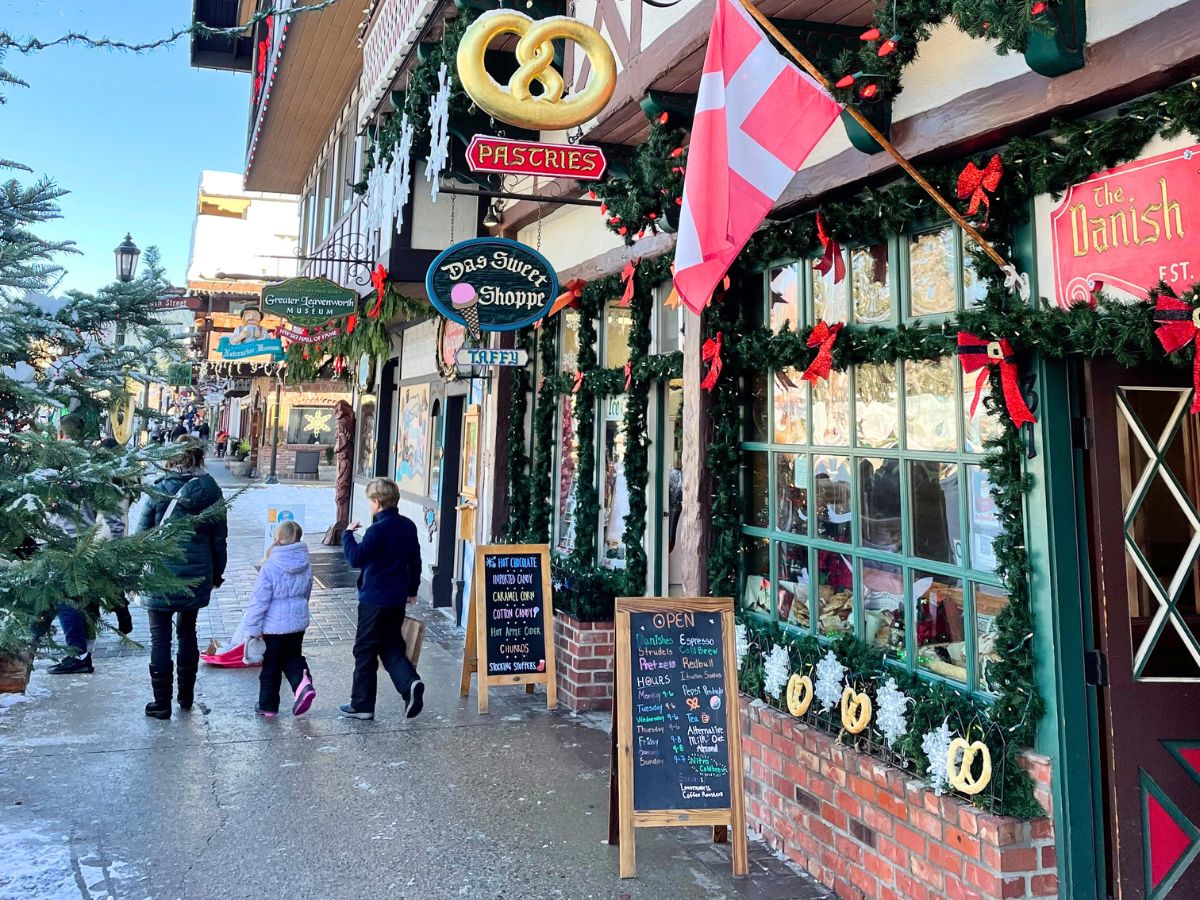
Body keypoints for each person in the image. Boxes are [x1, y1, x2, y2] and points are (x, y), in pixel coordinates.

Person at [137, 441, 227, 720]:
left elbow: (141, 536)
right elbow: (219, 540)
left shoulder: (158, 489)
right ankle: (185, 697)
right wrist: (215, 575)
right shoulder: (212, 491)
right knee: (188, 632)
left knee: (159, 639)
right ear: (199, 458)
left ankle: (161, 704)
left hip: (159, 576)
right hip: (195, 575)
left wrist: (132, 575)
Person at [339, 477, 424, 721]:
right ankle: (411, 683)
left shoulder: (377, 530)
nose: (369, 506)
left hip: (374, 599)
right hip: (396, 598)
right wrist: (412, 589)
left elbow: (356, 558)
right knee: (390, 646)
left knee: (364, 649)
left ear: (377, 502)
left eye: (370, 502)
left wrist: (347, 535)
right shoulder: (407, 526)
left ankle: (362, 704)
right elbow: (415, 561)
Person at [242, 520, 316, 717]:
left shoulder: (270, 567)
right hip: (297, 623)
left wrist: (252, 629)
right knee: (293, 657)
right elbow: (307, 591)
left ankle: (268, 706)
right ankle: (303, 685)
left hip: (274, 626)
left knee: (271, 666)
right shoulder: (305, 563)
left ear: (277, 539)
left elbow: (259, 601)